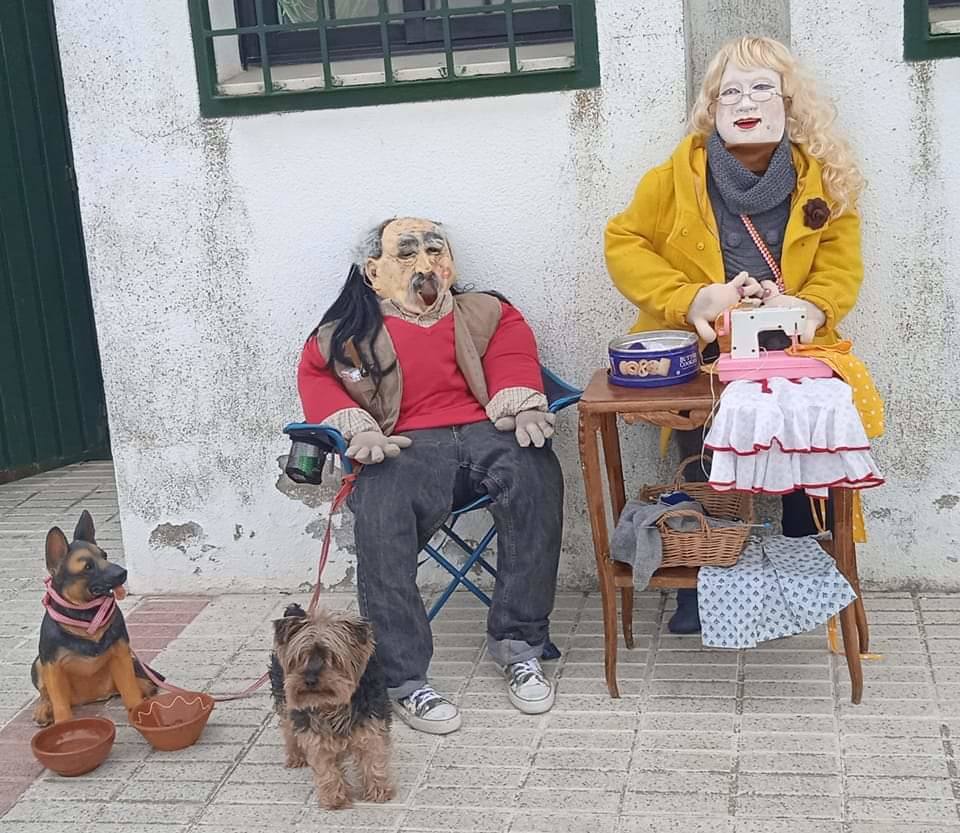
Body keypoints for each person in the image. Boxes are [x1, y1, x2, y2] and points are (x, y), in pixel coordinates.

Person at [604, 36, 866, 633]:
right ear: (711, 107)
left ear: (790, 103)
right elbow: (623, 241)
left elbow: (841, 265)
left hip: (789, 347)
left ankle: (807, 570)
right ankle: (701, 581)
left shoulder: (823, 180)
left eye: (761, 88)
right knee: (702, 453)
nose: (745, 102)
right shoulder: (676, 175)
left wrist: (809, 306)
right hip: (701, 353)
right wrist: (692, 298)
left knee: (802, 442)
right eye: (730, 92)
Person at [297, 217, 563, 733]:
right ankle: (403, 678)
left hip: (486, 428)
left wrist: (523, 401)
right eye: (407, 253)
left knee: (535, 472)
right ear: (373, 272)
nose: (425, 265)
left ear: (452, 263)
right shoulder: (347, 334)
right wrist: (357, 429)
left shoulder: (486, 311)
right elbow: (317, 375)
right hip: (404, 443)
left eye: (435, 250)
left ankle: (520, 644)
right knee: (379, 506)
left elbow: (512, 351)